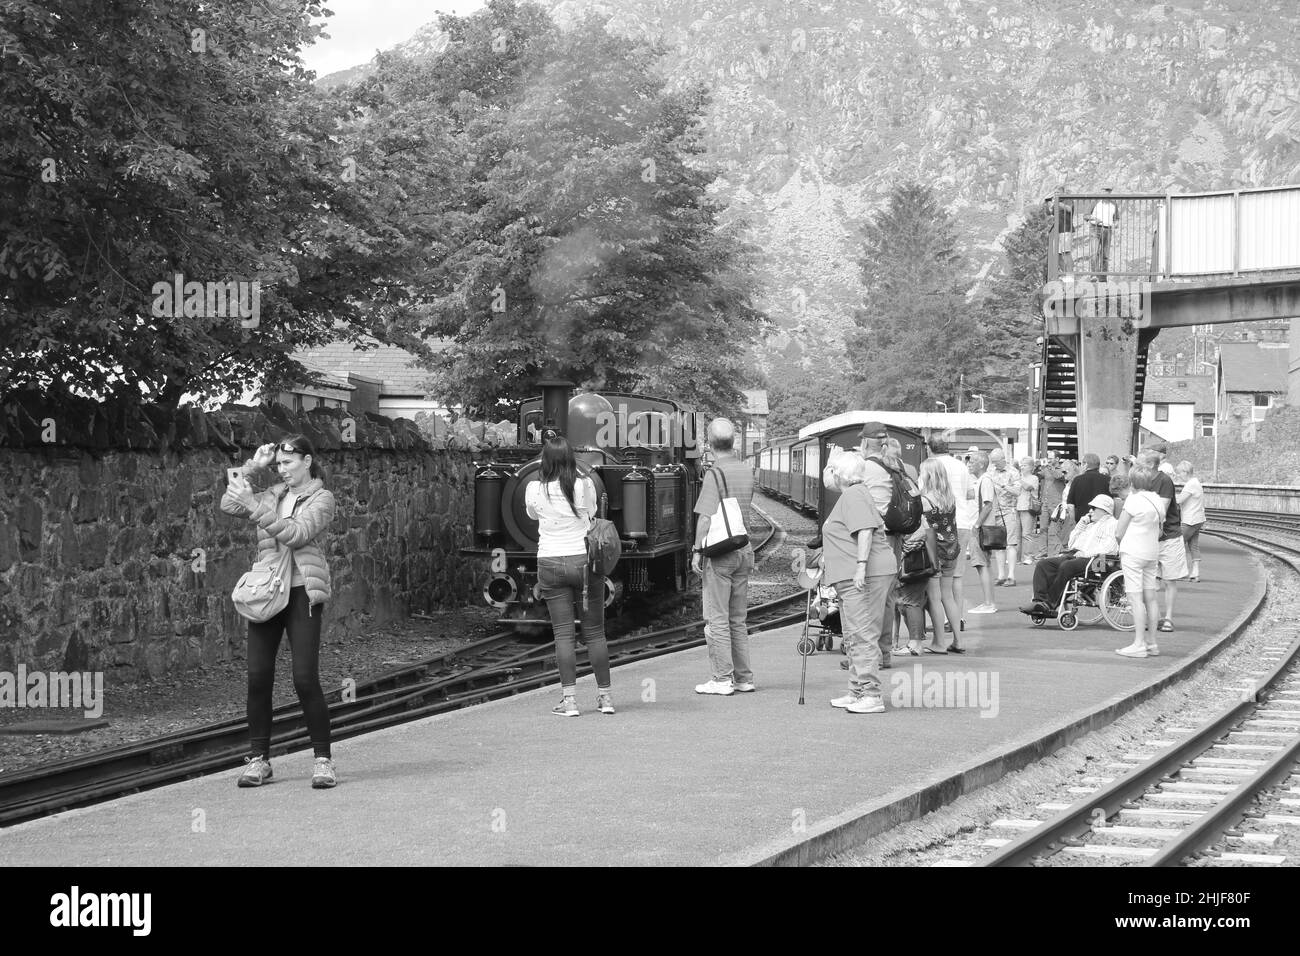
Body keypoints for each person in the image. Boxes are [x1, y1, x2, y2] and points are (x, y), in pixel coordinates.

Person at [221, 436, 338, 789]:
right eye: (278, 465)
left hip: (303, 591)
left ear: (306, 460)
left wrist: (255, 508)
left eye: (288, 464)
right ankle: (259, 760)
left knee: (304, 677)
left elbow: (298, 533)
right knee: (258, 676)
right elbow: (229, 503)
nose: (282, 470)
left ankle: (323, 761)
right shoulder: (271, 493)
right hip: (267, 590)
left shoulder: (322, 498)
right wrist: (252, 467)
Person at [526, 435, 614, 716]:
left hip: (550, 562)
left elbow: (531, 516)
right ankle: (605, 699)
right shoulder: (585, 485)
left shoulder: (533, 489)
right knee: (595, 633)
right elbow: (593, 513)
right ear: (570, 460)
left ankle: (571, 702)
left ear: (545, 461)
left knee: (563, 635)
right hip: (584, 561)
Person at [821, 451, 895, 714]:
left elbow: (864, 529)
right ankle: (857, 691)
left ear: (839, 473)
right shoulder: (853, 495)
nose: (826, 474)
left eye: (830, 469)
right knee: (853, 635)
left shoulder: (853, 494)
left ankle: (871, 695)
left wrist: (861, 567)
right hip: (853, 574)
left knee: (862, 635)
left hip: (863, 575)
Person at [691, 418, 756, 696]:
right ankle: (744, 678)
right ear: (733, 442)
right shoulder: (746, 470)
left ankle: (721, 679)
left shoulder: (714, 474)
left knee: (716, 618)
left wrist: (697, 550)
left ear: (709, 442)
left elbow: (706, 518)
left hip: (722, 554)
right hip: (744, 549)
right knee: (737, 619)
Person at [1019, 494, 1118, 616]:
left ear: (1104, 510)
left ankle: (1050, 603)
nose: (1090, 511)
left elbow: (1109, 547)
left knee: (1068, 566)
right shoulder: (1090, 524)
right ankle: (1039, 601)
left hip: (1100, 560)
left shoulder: (1113, 524)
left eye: (1094, 508)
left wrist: (1086, 554)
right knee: (1044, 564)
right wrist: (1081, 525)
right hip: (1078, 556)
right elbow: (1071, 544)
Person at [858, 421, 904, 668]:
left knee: (871, 599)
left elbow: (836, 483)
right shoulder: (895, 464)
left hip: (875, 537)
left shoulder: (865, 467)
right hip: (895, 537)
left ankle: (871, 655)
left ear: (865, 442)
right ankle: (884, 653)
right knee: (887, 598)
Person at [914, 457, 964, 652]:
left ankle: (939, 642)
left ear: (928, 475)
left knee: (934, 598)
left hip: (934, 553)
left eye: (921, 472)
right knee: (947, 596)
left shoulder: (925, 500)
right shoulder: (949, 498)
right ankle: (959, 640)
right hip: (952, 550)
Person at [1115, 466, 1165, 658]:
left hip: (1133, 553)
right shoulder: (1157, 500)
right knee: (1150, 597)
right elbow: (1160, 530)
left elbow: (1119, 531)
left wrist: (1122, 545)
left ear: (1132, 482)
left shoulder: (1133, 500)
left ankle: (1138, 644)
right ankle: (1152, 643)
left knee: (1135, 598)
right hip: (1152, 552)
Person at [927, 436, 973, 636]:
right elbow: (970, 493)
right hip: (962, 521)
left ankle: (939, 623)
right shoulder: (961, 466)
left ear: (930, 449)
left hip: (938, 524)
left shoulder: (930, 466)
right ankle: (957, 618)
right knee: (957, 575)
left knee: (937, 578)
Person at [1140, 447, 1188, 632]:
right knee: (1149, 580)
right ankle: (1155, 616)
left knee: (1169, 579)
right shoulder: (1142, 481)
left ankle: (1168, 617)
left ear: (1151, 465)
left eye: (1141, 463)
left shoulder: (1164, 481)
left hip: (1169, 535)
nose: (1138, 467)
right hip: (1149, 536)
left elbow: (1162, 509)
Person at [967, 451, 999, 614]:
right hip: (981, 527)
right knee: (983, 564)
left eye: (972, 461)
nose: (969, 463)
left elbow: (988, 505)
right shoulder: (981, 480)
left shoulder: (985, 480)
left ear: (981, 464)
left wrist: (977, 525)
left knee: (982, 564)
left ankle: (989, 603)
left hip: (981, 528)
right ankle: (988, 601)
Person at [987, 448, 1021, 586]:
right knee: (998, 545)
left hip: (1009, 510)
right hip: (995, 511)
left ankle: (1011, 576)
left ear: (1003, 459)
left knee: (1010, 544)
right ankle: (1001, 575)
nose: (995, 465)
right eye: (993, 462)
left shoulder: (1013, 472)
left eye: (997, 462)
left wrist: (1003, 485)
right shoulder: (991, 472)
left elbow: (1017, 491)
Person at [1176, 460, 1205, 582]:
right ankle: (1195, 573)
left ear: (1185, 471)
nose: (1179, 475)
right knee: (1193, 545)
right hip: (1198, 519)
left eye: (1180, 473)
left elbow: (1179, 500)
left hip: (1190, 520)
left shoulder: (1191, 484)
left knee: (1177, 545)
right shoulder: (1195, 482)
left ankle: (1181, 573)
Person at [1067, 453, 1111, 521]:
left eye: (1080, 464)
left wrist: (1072, 522)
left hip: (1082, 521)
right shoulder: (1108, 480)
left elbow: (1070, 506)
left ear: (1085, 464)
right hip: (1101, 521)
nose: (1080, 466)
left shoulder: (1077, 480)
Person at [1089, 187, 1119, 277]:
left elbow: (1116, 218)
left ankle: (1103, 278)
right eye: (1105, 190)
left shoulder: (1114, 204)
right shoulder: (1095, 202)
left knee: (1105, 255)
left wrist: (1116, 223)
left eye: (1108, 190)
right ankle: (1094, 274)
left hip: (1108, 229)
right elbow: (1086, 215)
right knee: (1094, 253)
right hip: (1095, 228)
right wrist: (1094, 219)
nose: (1107, 192)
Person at [1016, 456, 1041, 565]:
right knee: (1016, 535)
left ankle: (1028, 556)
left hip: (1028, 508)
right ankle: (1016, 558)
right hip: (1017, 507)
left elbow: (1028, 487)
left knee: (1027, 534)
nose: (1022, 467)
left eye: (1025, 465)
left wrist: (1018, 479)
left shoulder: (1034, 478)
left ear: (1031, 467)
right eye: (1021, 465)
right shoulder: (1018, 477)